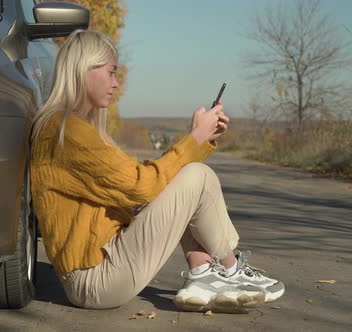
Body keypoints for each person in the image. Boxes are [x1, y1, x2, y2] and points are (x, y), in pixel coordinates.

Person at [29, 29, 284, 313]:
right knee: (197, 176)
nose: (116, 82)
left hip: (97, 270)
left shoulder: (67, 127)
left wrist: (199, 139)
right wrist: (194, 139)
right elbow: (143, 186)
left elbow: (145, 181)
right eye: (111, 72)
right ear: (84, 69)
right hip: (94, 279)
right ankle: (231, 269)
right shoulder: (66, 131)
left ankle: (203, 275)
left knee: (185, 176)